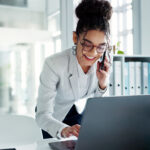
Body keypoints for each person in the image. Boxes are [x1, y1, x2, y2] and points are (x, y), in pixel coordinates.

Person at [36, 0, 113, 139]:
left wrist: (103, 83)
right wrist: (63, 129)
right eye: (87, 44)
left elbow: (100, 108)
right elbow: (42, 115)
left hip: (80, 115)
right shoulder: (54, 64)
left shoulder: (103, 63)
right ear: (75, 38)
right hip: (54, 119)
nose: (93, 53)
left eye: (101, 46)